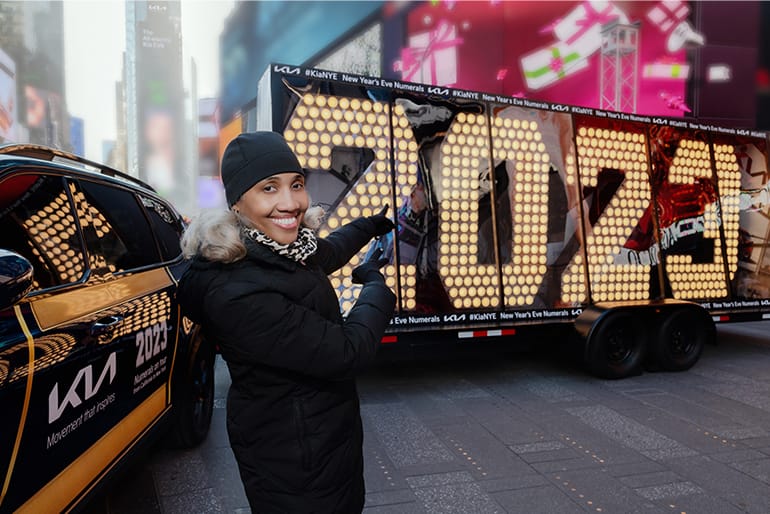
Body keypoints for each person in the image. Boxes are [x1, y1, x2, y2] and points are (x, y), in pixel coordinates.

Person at [177, 131, 396, 513]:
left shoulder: (283, 247)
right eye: (269, 188)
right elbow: (348, 351)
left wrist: (369, 225)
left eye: (296, 184)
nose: (291, 202)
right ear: (237, 202)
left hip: (321, 439)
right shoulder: (238, 293)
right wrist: (376, 286)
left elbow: (328, 252)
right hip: (296, 464)